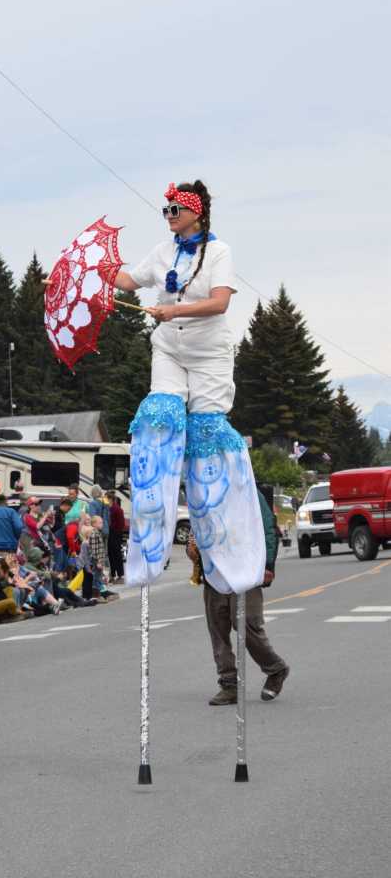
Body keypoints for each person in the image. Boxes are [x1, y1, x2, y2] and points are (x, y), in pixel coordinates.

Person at [115, 180, 266, 593]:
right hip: (168, 348)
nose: (169, 217)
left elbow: (220, 303)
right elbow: (129, 281)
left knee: (206, 434)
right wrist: (90, 275)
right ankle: (150, 525)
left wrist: (173, 309)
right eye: (165, 210)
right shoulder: (162, 251)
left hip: (209, 355)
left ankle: (225, 537)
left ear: (196, 213)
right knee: (160, 415)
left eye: (175, 210)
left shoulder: (218, 252)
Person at [187, 489, 290, 705]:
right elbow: (197, 528)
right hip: (214, 573)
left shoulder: (246, 488)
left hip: (245, 569)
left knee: (245, 623)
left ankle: (275, 669)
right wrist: (192, 547)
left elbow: (268, 528)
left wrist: (268, 563)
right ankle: (229, 684)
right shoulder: (203, 491)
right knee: (218, 629)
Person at [106, 491, 125, 583]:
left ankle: (120, 575)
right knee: (110, 555)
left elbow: (121, 524)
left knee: (117, 554)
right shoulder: (107, 509)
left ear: (111, 499)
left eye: (106, 498)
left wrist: (115, 531)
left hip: (116, 534)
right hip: (109, 534)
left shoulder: (117, 509)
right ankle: (112, 575)